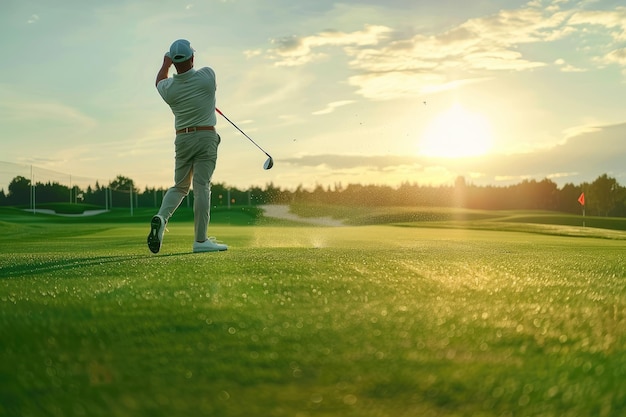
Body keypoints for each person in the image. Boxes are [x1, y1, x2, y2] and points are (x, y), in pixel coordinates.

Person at [147, 39, 227, 254]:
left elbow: (159, 80)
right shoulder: (207, 76)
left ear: (173, 62)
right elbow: (205, 88)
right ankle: (200, 241)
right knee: (202, 187)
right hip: (205, 137)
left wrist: (165, 63)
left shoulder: (168, 88)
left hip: (182, 139)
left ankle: (161, 218)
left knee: (180, 187)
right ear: (193, 58)